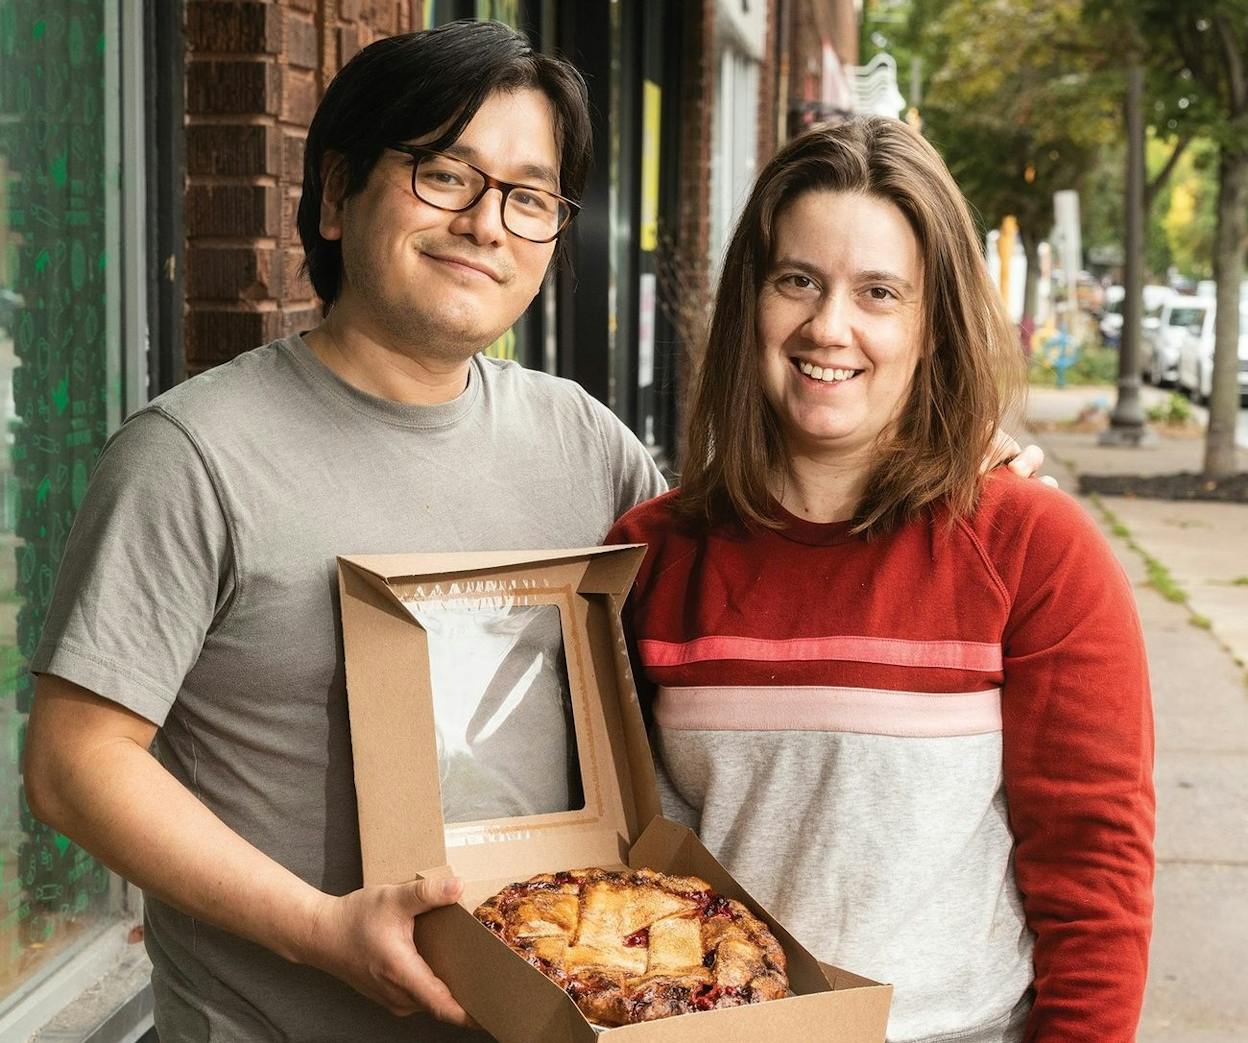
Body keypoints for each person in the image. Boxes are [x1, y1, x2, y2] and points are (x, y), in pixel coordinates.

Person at [21, 21, 1049, 1042]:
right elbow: (75, 764)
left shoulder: (579, 442)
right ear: (336, 194)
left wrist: (945, 454)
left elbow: (762, 559)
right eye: (444, 174)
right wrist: (321, 930)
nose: (486, 224)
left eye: (527, 195)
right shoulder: (193, 455)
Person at [607, 117, 1155, 1042]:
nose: (830, 326)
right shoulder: (653, 558)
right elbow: (616, 856)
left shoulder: (1033, 548)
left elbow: (1094, 872)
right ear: (753, 300)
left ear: (933, 323)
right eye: (798, 281)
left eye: (880, 292)